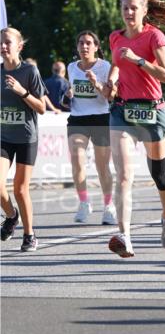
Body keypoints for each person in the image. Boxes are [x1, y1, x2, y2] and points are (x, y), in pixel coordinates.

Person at [106, 0, 165, 258]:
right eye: (125, 7)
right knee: (124, 175)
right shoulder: (115, 37)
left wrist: (138, 60)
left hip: (152, 110)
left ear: (144, 11)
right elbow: (115, 66)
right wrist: (110, 83)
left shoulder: (154, 36)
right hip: (122, 111)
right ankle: (124, 235)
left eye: (134, 7)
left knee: (158, 174)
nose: (129, 12)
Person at [1, 27, 47, 251]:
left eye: (7, 42)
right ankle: (11, 217)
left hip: (27, 137)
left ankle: (30, 235)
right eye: (0, 42)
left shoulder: (29, 72)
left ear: (19, 46)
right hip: (3, 136)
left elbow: (42, 108)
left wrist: (22, 91)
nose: (2, 46)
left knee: (20, 189)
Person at [65, 30, 116, 225]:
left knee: (102, 166)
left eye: (88, 43)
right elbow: (72, 92)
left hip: (101, 118)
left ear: (96, 46)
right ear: (77, 47)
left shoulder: (105, 67)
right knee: (77, 160)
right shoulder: (71, 67)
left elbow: (109, 96)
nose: (84, 46)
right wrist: (69, 94)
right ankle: (84, 202)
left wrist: (95, 82)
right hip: (78, 119)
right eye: (81, 43)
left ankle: (108, 206)